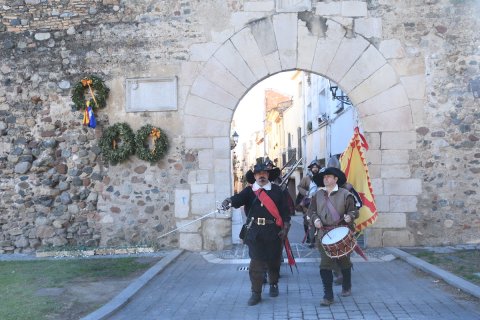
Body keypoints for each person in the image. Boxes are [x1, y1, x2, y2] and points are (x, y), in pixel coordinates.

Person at [222, 163, 291, 306]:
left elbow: (285, 211)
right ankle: (256, 293)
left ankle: (273, 284)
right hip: (255, 233)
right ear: (254, 176)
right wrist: (229, 201)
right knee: (256, 264)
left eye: (264, 173)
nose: (261, 175)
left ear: (268, 175)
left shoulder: (277, 191)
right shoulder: (249, 191)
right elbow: (238, 199)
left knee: (274, 261)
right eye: (258, 173)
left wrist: (286, 227)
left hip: (274, 232)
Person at [307, 166, 359, 306]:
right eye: (324, 177)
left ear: (336, 179)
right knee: (325, 265)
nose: (326, 179)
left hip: (342, 233)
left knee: (344, 262)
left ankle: (346, 285)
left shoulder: (345, 194)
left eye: (328, 176)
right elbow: (311, 212)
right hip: (323, 235)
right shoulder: (317, 195)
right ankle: (328, 295)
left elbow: (354, 212)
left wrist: (350, 217)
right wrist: (315, 219)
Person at [297, 159, 320, 245]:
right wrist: (306, 193)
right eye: (313, 167)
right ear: (311, 168)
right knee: (307, 220)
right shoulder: (306, 178)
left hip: (319, 202)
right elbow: (299, 187)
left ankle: (316, 238)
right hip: (308, 202)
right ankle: (309, 238)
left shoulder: (322, 177)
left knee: (317, 219)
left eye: (316, 167)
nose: (315, 169)